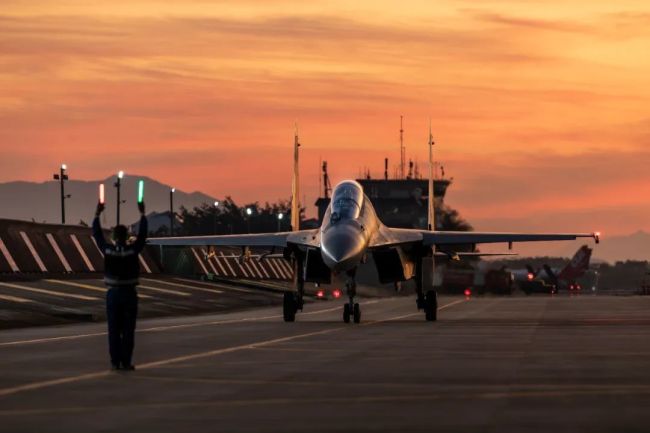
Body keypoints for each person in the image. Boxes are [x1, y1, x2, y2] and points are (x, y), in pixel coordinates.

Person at [93, 201, 148, 371]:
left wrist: (97, 215)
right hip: (129, 294)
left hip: (113, 294)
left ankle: (114, 362)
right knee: (128, 330)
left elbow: (97, 235)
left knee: (114, 330)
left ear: (114, 237)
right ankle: (126, 361)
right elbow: (142, 236)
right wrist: (142, 215)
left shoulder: (108, 250)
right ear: (126, 237)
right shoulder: (133, 250)